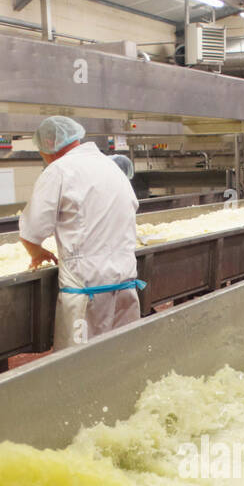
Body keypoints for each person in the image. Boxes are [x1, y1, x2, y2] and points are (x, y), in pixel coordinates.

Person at [19, 116, 144, 350]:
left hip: (87, 292)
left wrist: (36, 252)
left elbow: (32, 229)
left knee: (78, 369)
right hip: (126, 286)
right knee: (122, 359)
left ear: (48, 143)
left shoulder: (59, 170)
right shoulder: (111, 166)